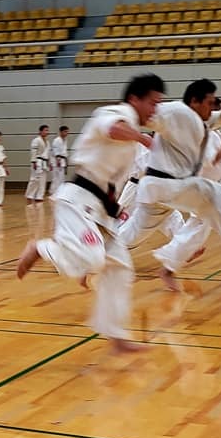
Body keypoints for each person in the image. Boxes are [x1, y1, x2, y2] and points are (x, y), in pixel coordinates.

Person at [15, 74, 165, 353]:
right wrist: (145, 139)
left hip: (99, 207)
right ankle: (40, 247)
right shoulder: (117, 113)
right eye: (153, 103)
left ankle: (116, 337)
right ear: (135, 99)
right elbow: (113, 129)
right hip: (77, 200)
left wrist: (116, 208)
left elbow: (108, 180)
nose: (155, 110)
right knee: (92, 259)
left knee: (120, 267)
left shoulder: (131, 138)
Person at [117, 78, 221, 286]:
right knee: (215, 196)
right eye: (209, 103)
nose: (211, 108)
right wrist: (136, 129)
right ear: (194, 101)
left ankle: (93, 255)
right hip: (165, 185)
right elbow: (145, 115)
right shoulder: (173, 112)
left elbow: (213, 120)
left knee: (130, 236)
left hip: (166, 191)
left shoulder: (196, 120)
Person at [25, 125, 51, 202]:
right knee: (34, 179)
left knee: (43, 180)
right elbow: (33, 151)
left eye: (47, 130)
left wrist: (49, 163)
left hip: (44, 162)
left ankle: (39, 196)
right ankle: (29, 195)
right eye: (45, 130)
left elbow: (48, 154)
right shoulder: (36, 140)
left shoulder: (48, 142)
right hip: (37, 161)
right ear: (40, 131)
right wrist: (34, 162)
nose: (47, 132)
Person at [47, 125, 69, 194]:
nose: (67, 133)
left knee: (61, 178)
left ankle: (59, 192)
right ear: (61, 132)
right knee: (56, 178)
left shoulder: (65, 140)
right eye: (65, 131)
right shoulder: (57, 140)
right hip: (57, 161)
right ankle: (53, 192)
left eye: (67, 132)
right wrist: (58, 160)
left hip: (62, 161)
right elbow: (56, 151)